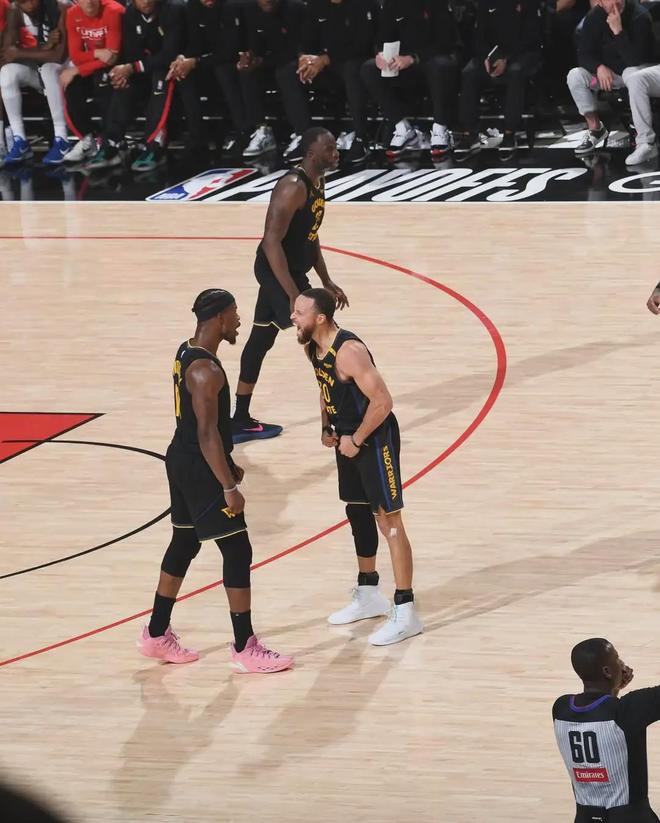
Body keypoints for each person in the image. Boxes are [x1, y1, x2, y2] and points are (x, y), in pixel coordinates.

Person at [139, 288, 293, 673]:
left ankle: (156, 633)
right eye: (235, 314)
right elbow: (207, 433)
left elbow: (202, 430)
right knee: (237, 550)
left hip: (182, 457)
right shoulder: (206, 371)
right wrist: (228, 485)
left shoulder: (186, 351)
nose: (239, 320)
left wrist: (228, 461)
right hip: (199, 467)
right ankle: (244, 646)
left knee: (185, 542)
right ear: (220, 318)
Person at [291, 288, 423, 646]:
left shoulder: (349, 352)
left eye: (299, 312)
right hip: (347, 437)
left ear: (320, 318)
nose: (293, 317)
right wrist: (326, 426)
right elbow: (324, 386)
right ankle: (368, 594)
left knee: (389, 521)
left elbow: (383, 402)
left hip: (374, 438)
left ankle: (406, 610)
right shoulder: (312, 347)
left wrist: (358, 439)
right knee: (357, 513)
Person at [231, 126, 348, 444]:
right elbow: (270, 242)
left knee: (260, 340)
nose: (336, 152)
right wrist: (296, 296)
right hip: (277, 272)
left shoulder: (318, 181)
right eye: (329, 149)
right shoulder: (293, 187)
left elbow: (311, 234)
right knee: (321, 335)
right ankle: (338, 414)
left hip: (291, 272)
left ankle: (239, 420)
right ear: (311, 154)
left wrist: (325, 279)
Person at [553, 638, 660, 822]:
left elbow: (600, 713)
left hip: (585, 816)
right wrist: (613, 689)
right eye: (617, 658)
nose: (622, 663)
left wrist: (613, 689)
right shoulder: (627, 711)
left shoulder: (561, 709)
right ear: (607, 671)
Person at [88, 0, 185, 173]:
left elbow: (169, 54)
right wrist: (125, 71)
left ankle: (155, 145)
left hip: (171, 69)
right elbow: (131, 53)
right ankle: (113, 143)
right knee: (121, 82)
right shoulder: (129, 14)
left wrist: (134, 67)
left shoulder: (173, 11)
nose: (146, 1)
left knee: (161, 78)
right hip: (142, 69)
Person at [277, 0, 376, 164]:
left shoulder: (362, 4)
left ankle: (361, 137)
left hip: (354, 60)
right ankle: (305, 138)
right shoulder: (316, 5)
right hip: (324, 63)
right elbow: (306, 38)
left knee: (352, 69)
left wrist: (325, 59)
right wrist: (305, 58)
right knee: (288, 72)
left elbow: (363, 44)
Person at [361, 0, 460, 158]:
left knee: (440, 65)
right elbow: (382, 38)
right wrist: (381, 55)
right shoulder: (392, 4)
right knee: (369, 68)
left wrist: (413, 58)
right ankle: (402, 127)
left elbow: (445, 42)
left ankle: (440, 129)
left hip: (429, 60)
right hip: (400, 63)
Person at [455, 0, 542, 159]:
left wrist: (506, 58)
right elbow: (479, 36)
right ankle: (469, 133)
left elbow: (532, 37)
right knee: (469, 72)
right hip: (492, 55)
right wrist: (487, 57)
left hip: (522, 54)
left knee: (515, 71)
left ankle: (510, 133)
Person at [567, 0, 653, 158]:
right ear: (600, 2)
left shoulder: (639, 16)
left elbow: (635, 60)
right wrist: (598, 67)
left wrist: (618, 31)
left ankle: (643, 136)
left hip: (638, 73)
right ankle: (595, 128)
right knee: (575, 76)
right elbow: (584, 54)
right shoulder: (594, 17)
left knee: (631, 73)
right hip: (608, 77)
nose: (615, 2)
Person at [167, 0, 247, 157]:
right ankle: (197, 135)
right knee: (183, 74)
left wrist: (196, 61)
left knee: (223, 71)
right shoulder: (193, 6)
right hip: (207, 59)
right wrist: (183, 58)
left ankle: (242, 131)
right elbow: (195, 42)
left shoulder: (231, 6)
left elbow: (231, 50)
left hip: (232, 60)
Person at [0, 0, 69, 166]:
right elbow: (7, 54)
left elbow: (58, 56)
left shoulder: (61, 7)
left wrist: (20, 52)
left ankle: (62, 139)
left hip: (67, 71)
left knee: (48, 69)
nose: (30, 5)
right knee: (7, 72)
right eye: (24, 1)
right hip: (38, 68)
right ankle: (20, 140)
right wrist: (45, 47)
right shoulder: (15, 11)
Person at [59, 0, 125, 165]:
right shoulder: (72, 14)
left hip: (121, 66)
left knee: (102, 81)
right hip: (94, 64)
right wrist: (97, 53)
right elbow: (76, 56)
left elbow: (112, 57)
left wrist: (78, 69)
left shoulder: (113, 11)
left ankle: (110, 143)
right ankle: (87, 139)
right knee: (72, 87)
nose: (89, 2)